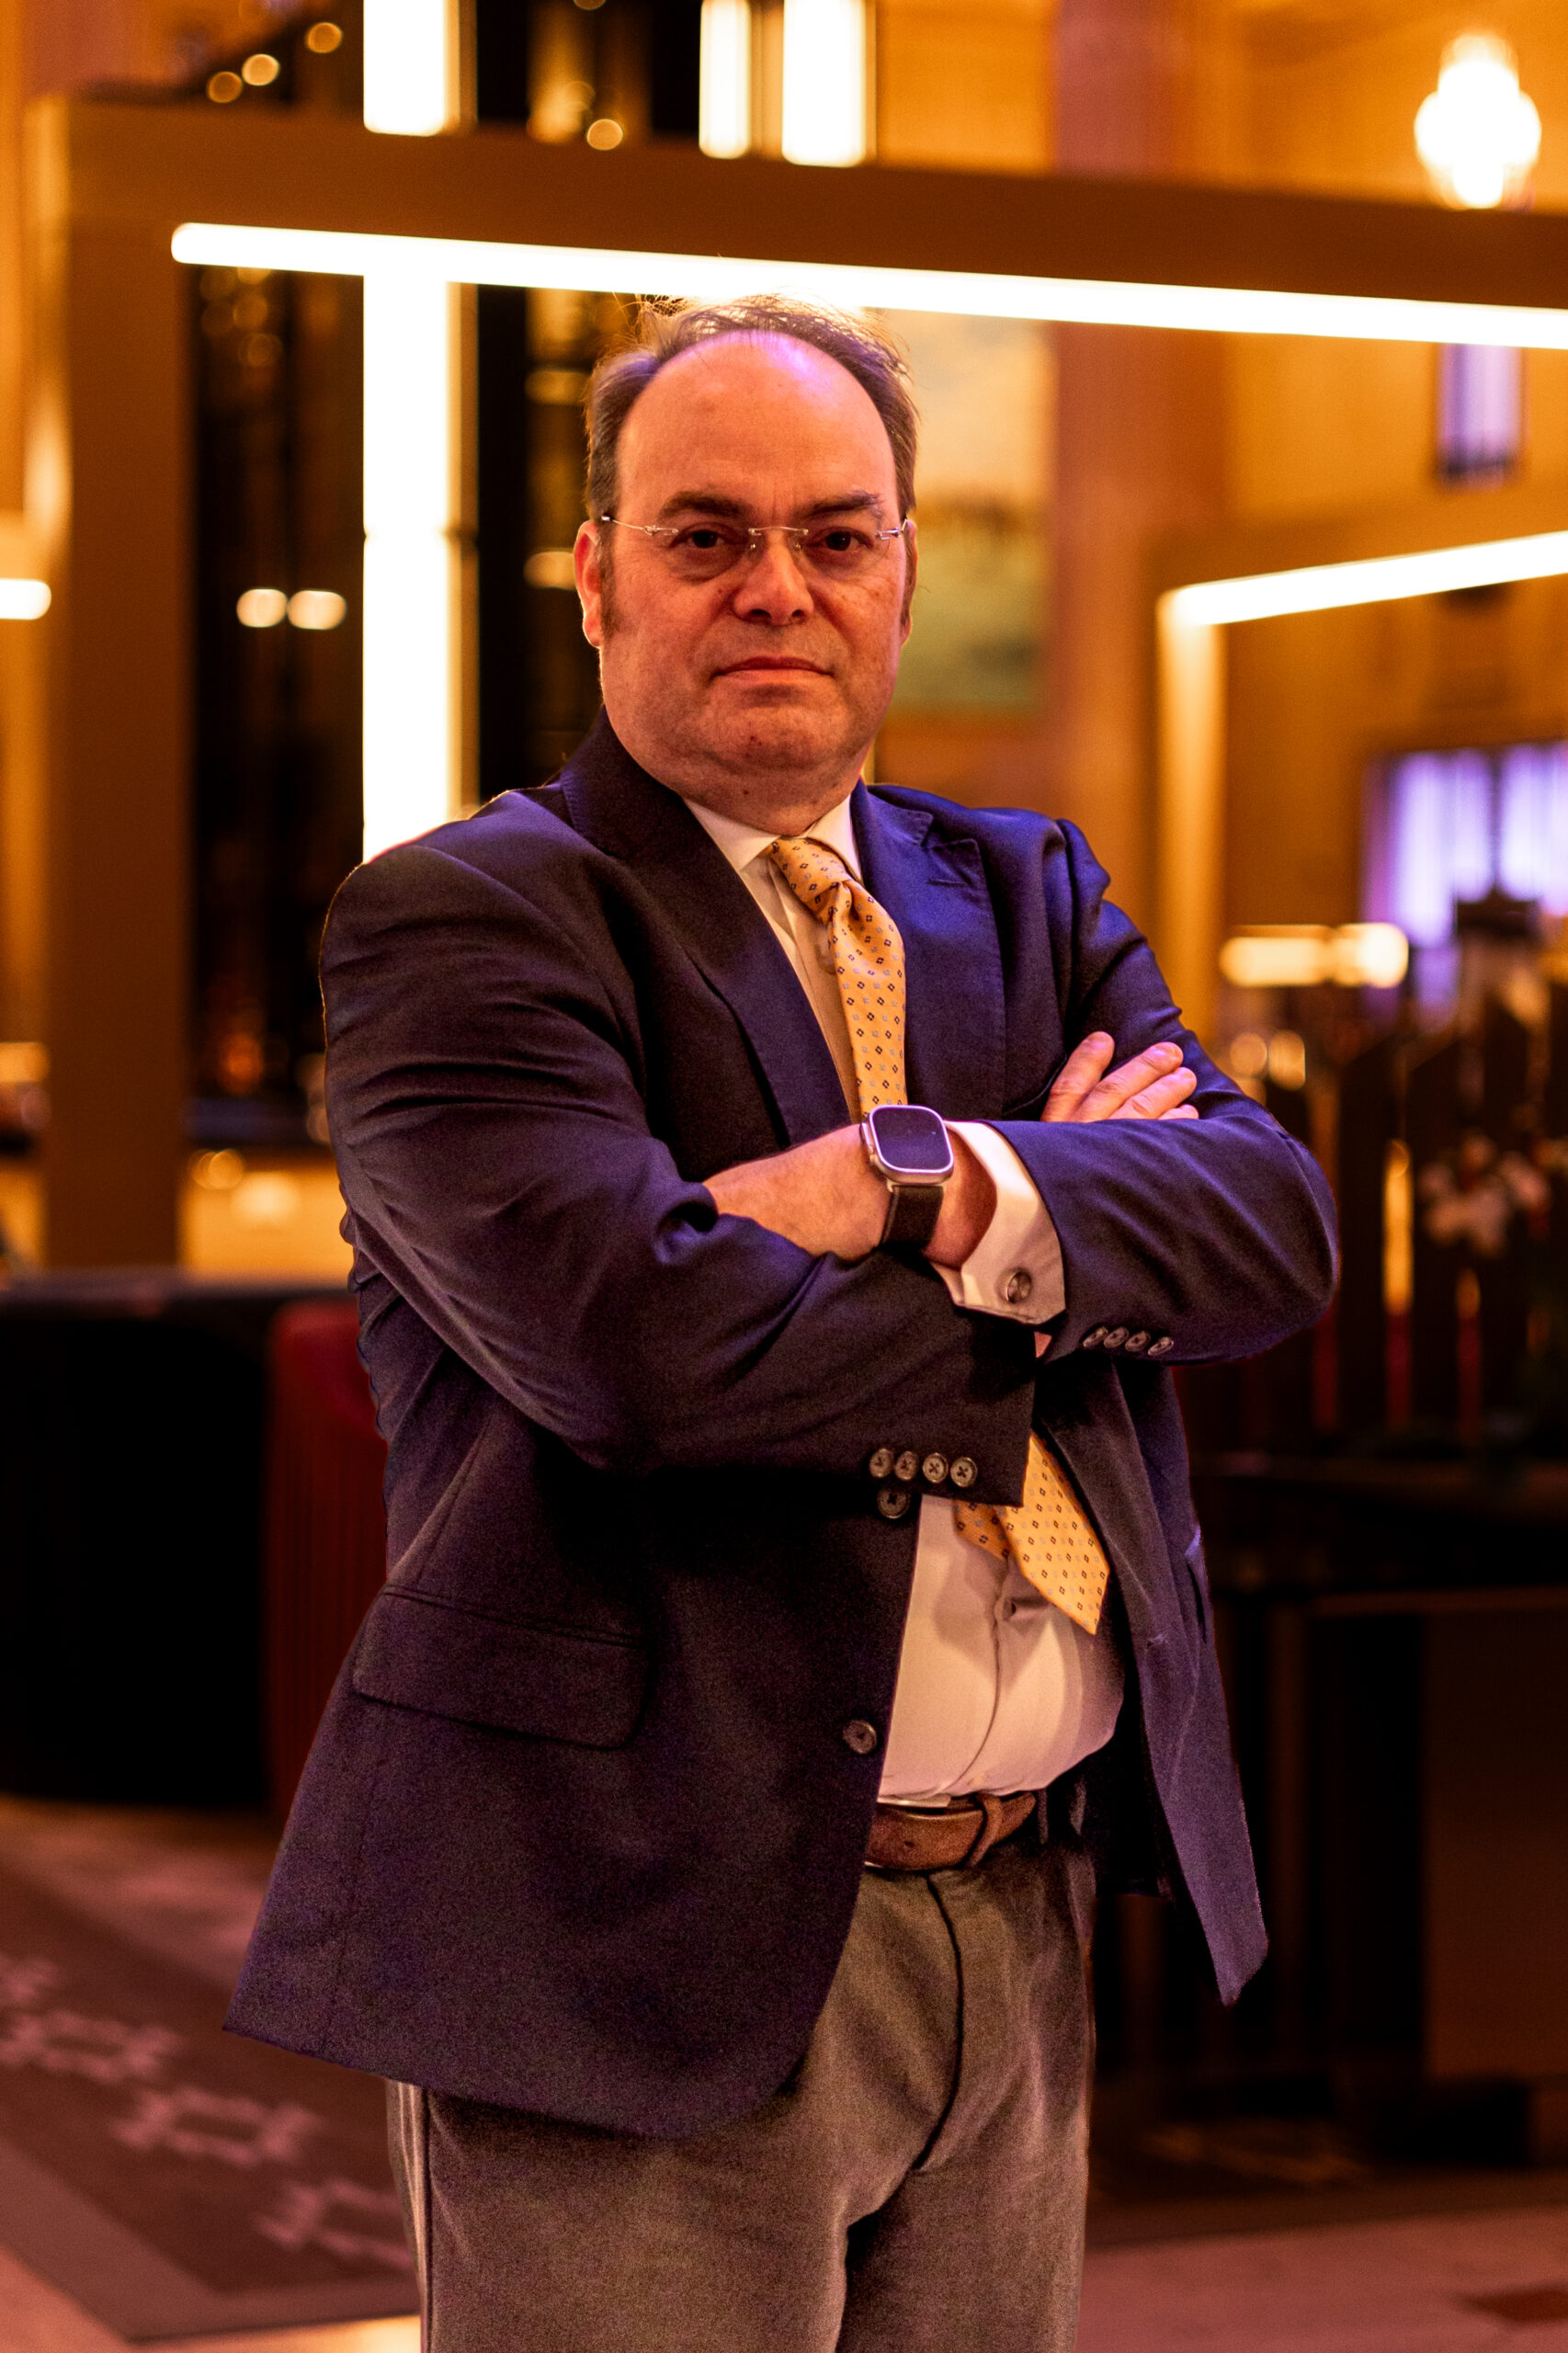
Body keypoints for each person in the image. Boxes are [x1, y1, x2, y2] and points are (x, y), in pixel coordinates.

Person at [230, 295, 1336, 2352]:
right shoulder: (467, 920)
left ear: (908, 566)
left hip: (1018, 1907)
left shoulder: (1026, 893)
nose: (778, 588)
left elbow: (1268, 1231)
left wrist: (915, 1176)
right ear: (592, 571)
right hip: (631, 1918)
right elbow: (640, 1354)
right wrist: (1072, 1254)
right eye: (705, 533)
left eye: (838, 534)